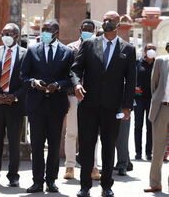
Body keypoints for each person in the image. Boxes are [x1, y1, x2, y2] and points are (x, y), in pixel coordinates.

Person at [72, 11, 136, 197]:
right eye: (106, 19)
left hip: (112, 107)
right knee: (86, 146)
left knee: (109, 146)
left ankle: (107, 185)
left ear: (118, 25)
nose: (107, 22)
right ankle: (85, 186)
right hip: (88, 105)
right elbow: (76, 69)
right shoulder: (90, 44)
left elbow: (130, 81)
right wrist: (76, 84)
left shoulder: (128, 50)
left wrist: (127, 106)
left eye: (112, 20)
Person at [20, 20, 75, 193]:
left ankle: (51, 180)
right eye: (42, 30)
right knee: (36, 145)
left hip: (56, 105)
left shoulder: (67, 52)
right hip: (36, 105)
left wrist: (58, 85)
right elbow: (23, 76)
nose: (44, 32)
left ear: (56, 32)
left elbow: (71, 78)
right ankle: (37, 181)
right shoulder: (32, 50)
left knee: (53, 145)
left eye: (47, 30)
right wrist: (34, 82)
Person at [0, 23, 27, 187]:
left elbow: (27, 80)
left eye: (9, 33)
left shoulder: (25, 54)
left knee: (14, 142)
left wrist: (14, 96)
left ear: (16, 35)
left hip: (15, 104)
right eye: (3, 33)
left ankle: (13, 176)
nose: (5, 36)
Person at [63, 19, 100, 181]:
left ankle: (93, 166)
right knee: (71, 132)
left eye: (90, 29)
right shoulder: (71, 48)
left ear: (94, 30)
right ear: (80, 29)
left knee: (93, 134)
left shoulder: (99, 47)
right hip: (73, 95)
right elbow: (67, 72)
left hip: (93, 97)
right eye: (84, 28)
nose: (87, 31)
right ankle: (70, 165)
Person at [143, 42, 169, 193]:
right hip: (162, 108)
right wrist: (157, 101)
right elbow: (154, 85)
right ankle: (155, 183)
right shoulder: (160, 61)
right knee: (158, 148)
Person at [134, 44, 156, 160]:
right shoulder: (137, 63)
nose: (151, 51)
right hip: (139, 99)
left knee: (150, 126)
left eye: (153, 49)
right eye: (148, 49)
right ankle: (138, 152)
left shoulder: (157, 64)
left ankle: (149, 152)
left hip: (152, 100)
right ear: (144, 50)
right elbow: (132, 78)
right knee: (138, 126)